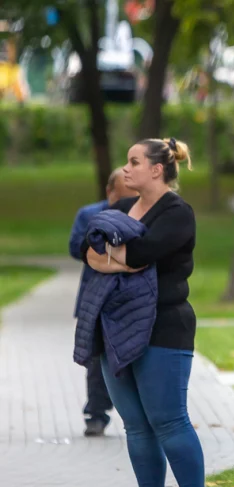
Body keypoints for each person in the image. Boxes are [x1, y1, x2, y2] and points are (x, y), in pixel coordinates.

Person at [82, 137, 211, 487]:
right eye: (127, 162)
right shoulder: (120, 207)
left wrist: (117, 259)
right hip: (115, 325)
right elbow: (90, 253)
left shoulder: (177, 212)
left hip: (164, 327)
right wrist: (123, 261)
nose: (126, 168)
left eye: (134, 161)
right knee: (135, 424)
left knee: (169, 421)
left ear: (157, 169)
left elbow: (139, 255)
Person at [68, 167, 134, 437]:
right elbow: (75, 248)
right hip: (96, 298)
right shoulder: (88, 214)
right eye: (123, 195)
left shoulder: (142, 214)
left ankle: (132, 413)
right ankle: (96, 413)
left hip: (130, 299)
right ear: (110, 192)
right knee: (96, 359)